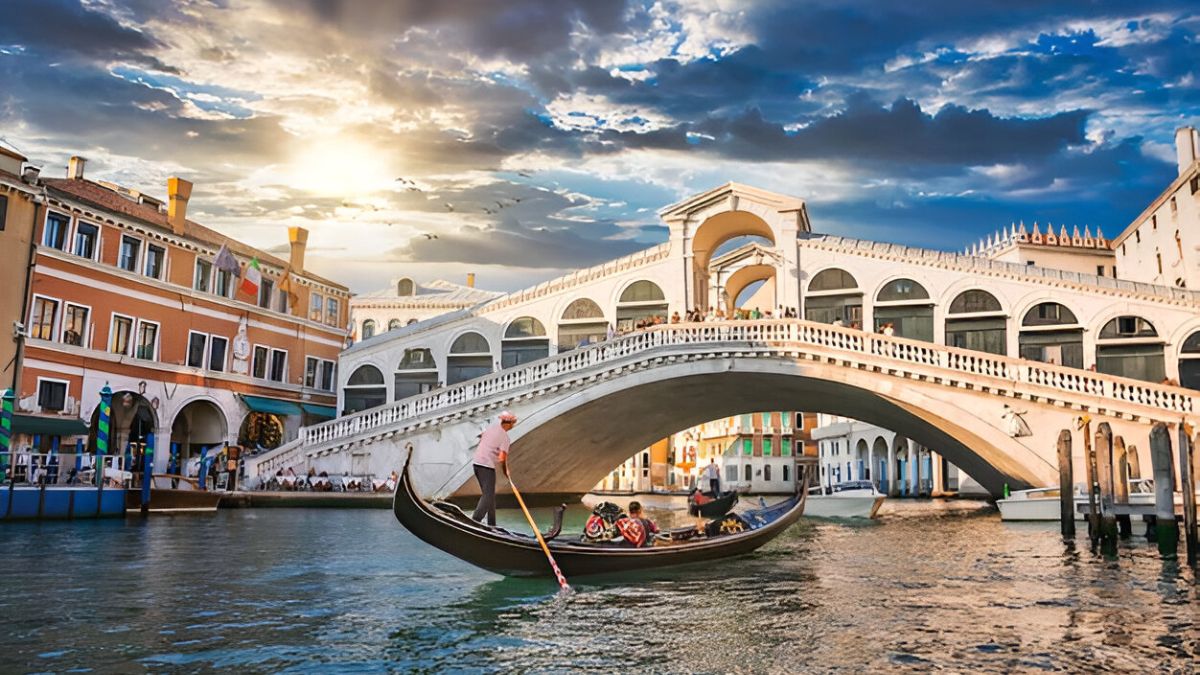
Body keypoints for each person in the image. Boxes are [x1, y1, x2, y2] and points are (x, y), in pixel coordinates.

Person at [472, 411, 516, 526]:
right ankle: (475, 521)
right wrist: (505, 471)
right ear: (509, 423)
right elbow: (502, 458)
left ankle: (492, 524)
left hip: (476, 464)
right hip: (486, 466)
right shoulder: (505, 437)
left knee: (489, 495)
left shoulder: (491, 429)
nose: (513, 425)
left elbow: (481, 437)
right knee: (488, 495)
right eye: (513, 423)